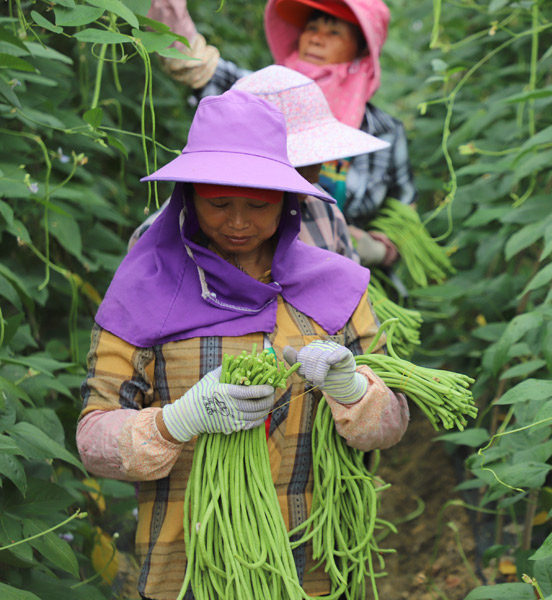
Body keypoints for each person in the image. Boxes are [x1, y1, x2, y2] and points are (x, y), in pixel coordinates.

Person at [77, 89, 409, 600]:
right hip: (188, 570)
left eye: (257, 205)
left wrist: (353, 391)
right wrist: (176, 421)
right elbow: (93, 442)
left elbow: (391, 427)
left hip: (315, 565)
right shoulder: (143, 292)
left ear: (288, 201)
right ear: (188, 196)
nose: (236, 223)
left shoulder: (337, 290)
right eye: (217, 204)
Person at [147, 0, 415, 268]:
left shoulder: (384, 131)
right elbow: (197, 64)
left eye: (334, 32)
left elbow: (405, 209)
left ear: (362, 47)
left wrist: (378, 247)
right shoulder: (258, 95)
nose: (316, 39)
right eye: (312, 28)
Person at [128, 65, 390, 264]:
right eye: (301, 165)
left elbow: (349, 296)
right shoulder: (160, 240)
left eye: (318, 160)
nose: (315, 176)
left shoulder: (323, 213)